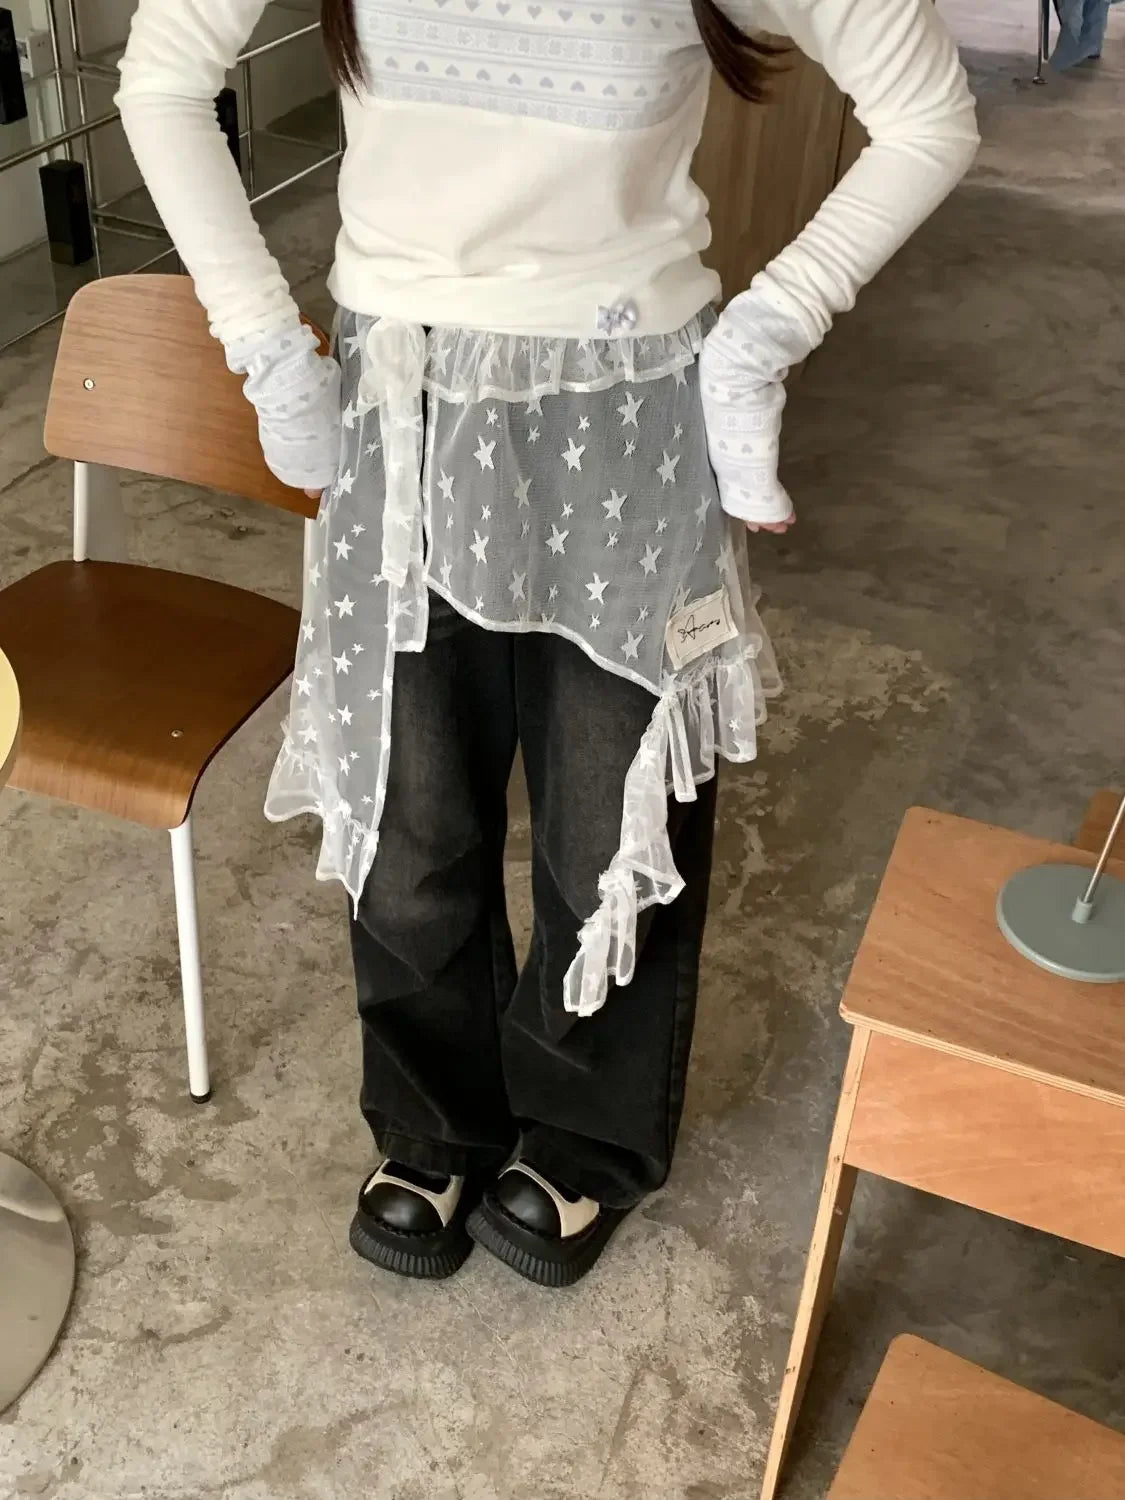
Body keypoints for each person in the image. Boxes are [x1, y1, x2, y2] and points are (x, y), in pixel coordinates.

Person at [116, 0, 978, 1286]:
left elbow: (929, 114)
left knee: (607, 809)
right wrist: (265, 347)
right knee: (409, 817)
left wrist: (761, 339)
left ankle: (587, 1132)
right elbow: (162, 75)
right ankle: (435, 1117)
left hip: (624, 410)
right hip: (402, 402)